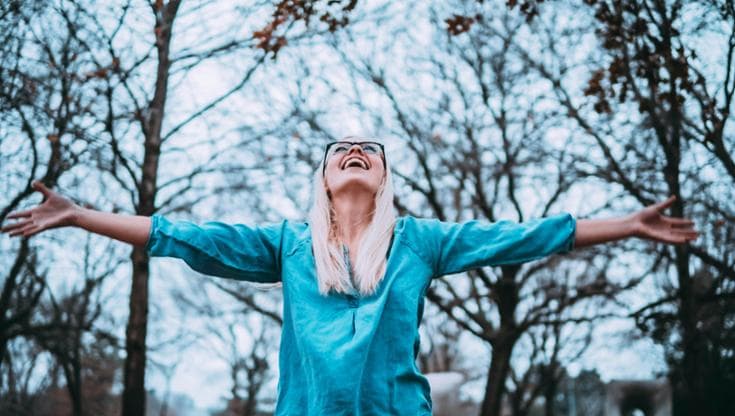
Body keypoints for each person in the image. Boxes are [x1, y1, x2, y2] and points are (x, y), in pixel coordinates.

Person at [1, 139, 698, 415]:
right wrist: (81, 216)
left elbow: (522, 236)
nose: (356, 152)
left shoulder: (418, 241)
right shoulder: (289, 245)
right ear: (325, 179)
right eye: (342, 151)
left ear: (384, 177)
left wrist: (627, 224)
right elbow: (181, 236)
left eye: (369, 150)